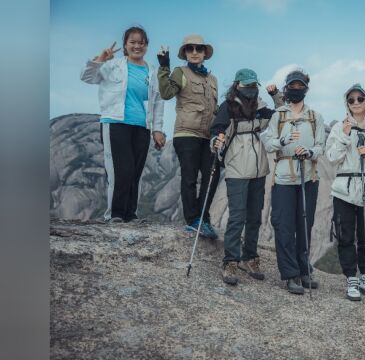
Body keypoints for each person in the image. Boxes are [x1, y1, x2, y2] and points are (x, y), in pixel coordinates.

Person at [80, 26, 165, 224]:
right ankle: (115, 214)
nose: (137, 46)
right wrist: (100, 59)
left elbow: (158, 102)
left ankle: (130, 214)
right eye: (132, 42)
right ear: (126, 45)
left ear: (146, 45)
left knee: (136, 171)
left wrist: (158, 129)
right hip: (115, 123)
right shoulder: (112, 65)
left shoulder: (152, 71)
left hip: (142, 126)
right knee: (121, 171)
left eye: (141, 42)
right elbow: (87, 77)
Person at [210, 68, 284, 285]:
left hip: (259, 170)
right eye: (246, 85)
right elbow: (217, 130)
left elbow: (282, 114)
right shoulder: (228, 107)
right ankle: (230, 261)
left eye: (253, 85)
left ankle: (250, 257)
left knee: (254, 216)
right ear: (237, 85)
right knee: (237, 217)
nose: (250, 89)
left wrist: (275, 95)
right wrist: (215, 141)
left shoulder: (260, 108)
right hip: (237, 170)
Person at [260, 69, 326, 295]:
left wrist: (309, 151)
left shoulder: (315, 116)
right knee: (284, 226)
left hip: (308, 177)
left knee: (304, 225)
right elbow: (268, 143)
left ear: (306, 88)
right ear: (286, 88)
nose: (296, 90)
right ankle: (290, 274)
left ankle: (304, 269)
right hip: (284, 177)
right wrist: (282, 140)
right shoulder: (278, 115)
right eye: (292, 86)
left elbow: (321, 147)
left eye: (300, 86)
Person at [325, 84, 365, 301]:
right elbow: (331, 157)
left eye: (360, 99)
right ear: (347, 103)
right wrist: (344, 135)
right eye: (351, 100)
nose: (356, 103)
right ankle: (351, 278)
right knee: (344, 234)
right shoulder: (338, 128)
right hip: (344, 189)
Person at [156, 34, 219, 239]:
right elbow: (166, 93)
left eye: (198, 49)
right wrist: (164, 67)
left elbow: (215, 109)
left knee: (212, 176)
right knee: (190, 177)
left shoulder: (212, 79)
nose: (194, 52)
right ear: (184, 53)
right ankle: (193, 220)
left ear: (204, 53)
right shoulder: (180, 72)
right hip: (186, 133)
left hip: (207, 136)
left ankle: (203, 217)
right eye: (190, 49)